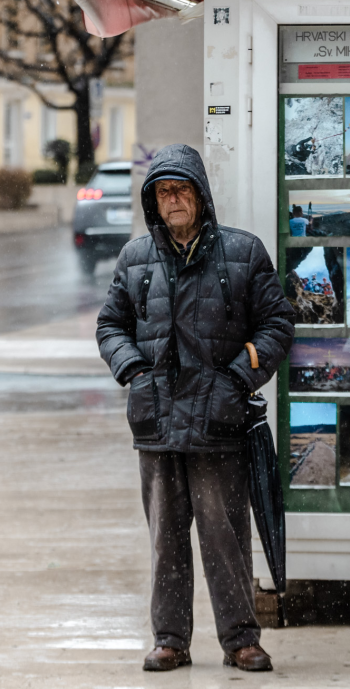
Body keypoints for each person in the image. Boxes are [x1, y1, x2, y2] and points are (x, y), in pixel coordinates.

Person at [97, 144, 294, 673]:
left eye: (182, 189)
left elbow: (277, 325)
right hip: (157, 422)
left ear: (201, 196)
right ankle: (170, 640)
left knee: (224, 534)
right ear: (153, 202)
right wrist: (134, 372)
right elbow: (109, 326)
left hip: (218, 422)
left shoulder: (244, 253)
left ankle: (240, 639)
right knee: (165, 538)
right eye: (163, 192)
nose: (173, 199)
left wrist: (237, 378)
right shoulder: (135, 259)